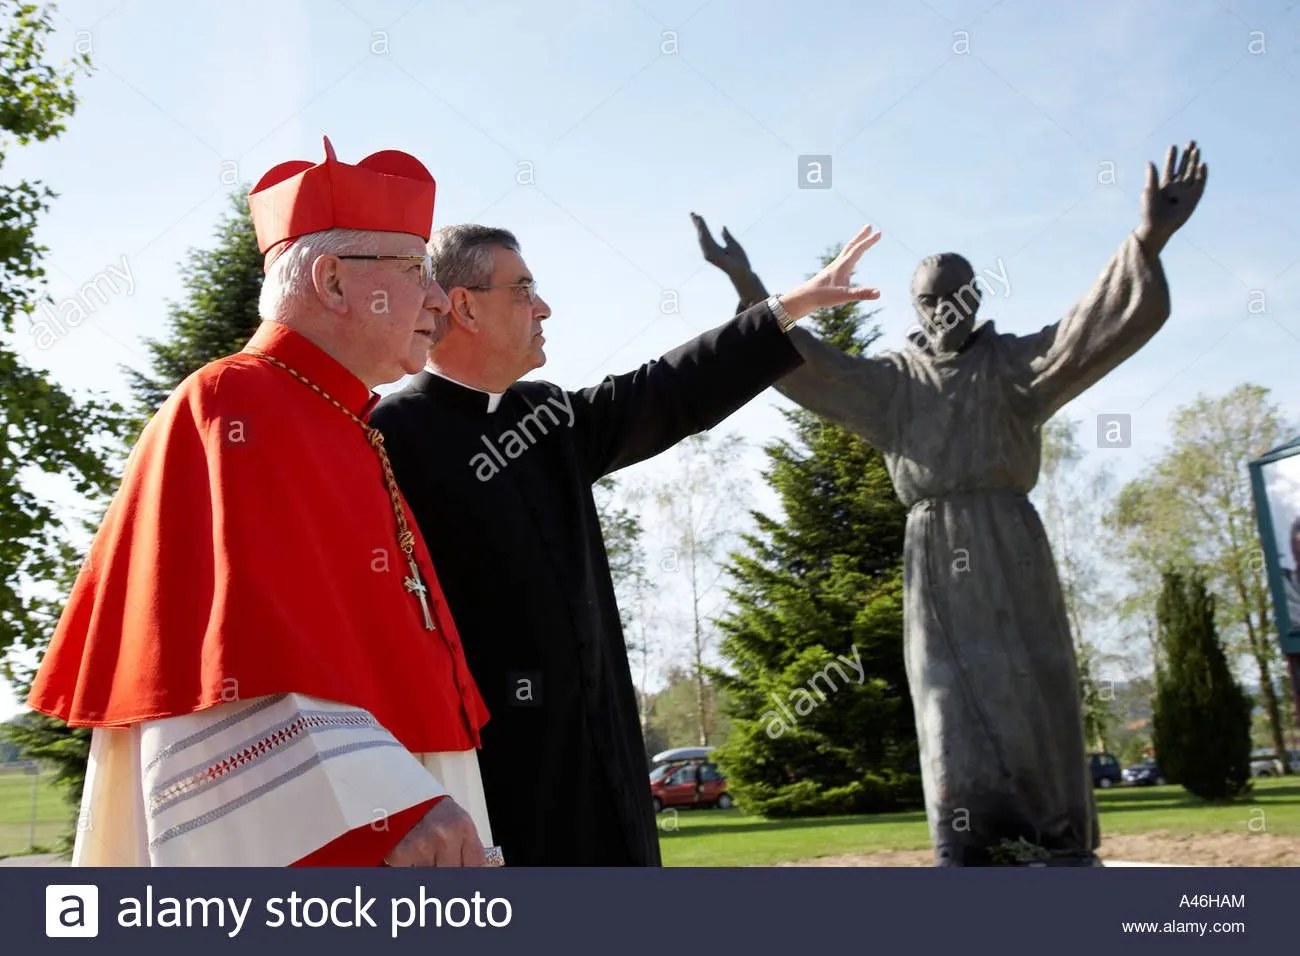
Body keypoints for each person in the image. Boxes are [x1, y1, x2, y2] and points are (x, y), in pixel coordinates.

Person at [695, 142, 1208, 866]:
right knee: (947, 702)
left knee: (1036, 682)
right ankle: (967, 841)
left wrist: (1147, 240)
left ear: (977, 295)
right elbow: (810, 365)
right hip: (934, 554)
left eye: (955, 293)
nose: (942, 308)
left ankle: (1057, 840)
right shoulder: (894, 384)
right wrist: (748, 284)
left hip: (1010, 544)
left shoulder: (1015, 367)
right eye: (928, 298)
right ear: (915, 307)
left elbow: (1089, 328)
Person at [25, 137, 498, 867]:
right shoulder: (234, 398)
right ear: (334, 280)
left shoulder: (345, 420)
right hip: (344, 830)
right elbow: (237, 651)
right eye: (413, 272)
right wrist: (389, 805)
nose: (438, 300)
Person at [369, 220, 885, 865]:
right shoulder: (388, 439)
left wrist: (790, 307)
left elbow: (665, 390)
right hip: (499, 792)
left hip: (609, 772)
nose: (544, 306)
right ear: (465, 305)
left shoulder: (545, 416)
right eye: (523, 289)